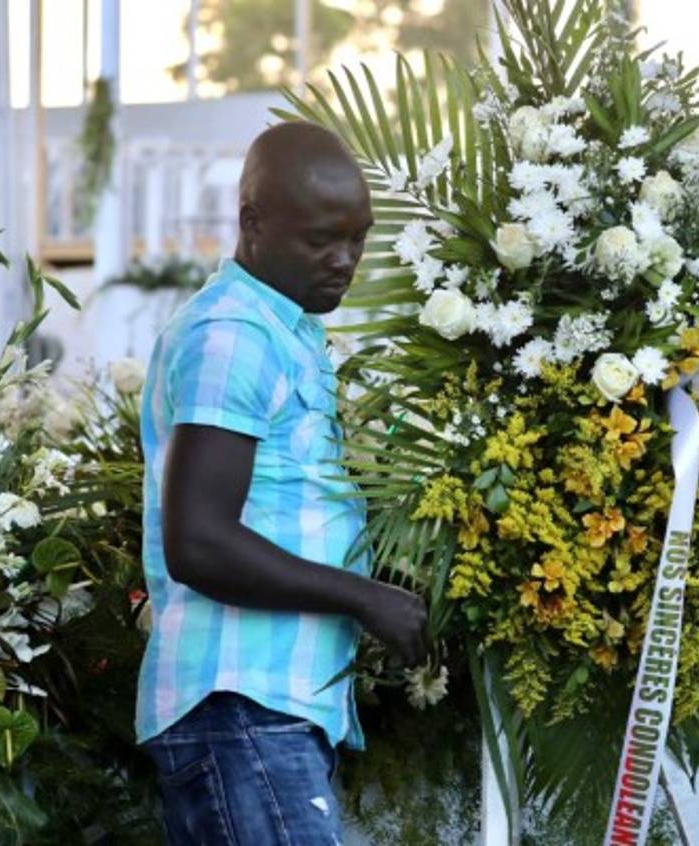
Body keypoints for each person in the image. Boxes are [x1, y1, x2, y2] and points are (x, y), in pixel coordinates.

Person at [135, 122, 428, 845]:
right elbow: (199, 542)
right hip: (239, 703)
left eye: (357, 239)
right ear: (252, 223)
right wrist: (365, 599)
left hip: (265, 710)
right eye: (321, 240)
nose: (344, 261)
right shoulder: (232, 333)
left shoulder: (285, 331)